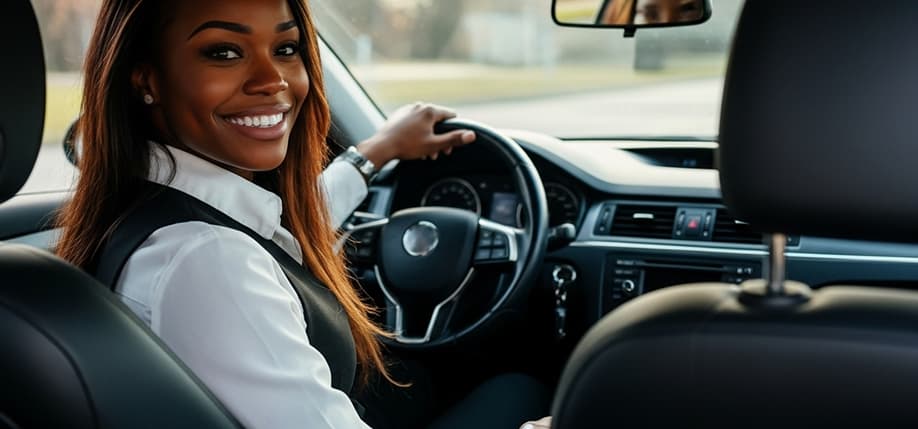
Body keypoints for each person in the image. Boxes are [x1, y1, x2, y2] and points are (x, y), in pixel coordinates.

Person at [54, 0, 550, 428]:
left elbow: (284, 231)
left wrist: (375, 151)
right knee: (521, 389)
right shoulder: (211, 262)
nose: (274, 81)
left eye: (286, 49)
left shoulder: (154, 205)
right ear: (146, 78)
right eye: (224, 52)